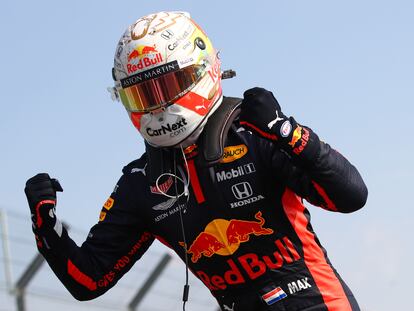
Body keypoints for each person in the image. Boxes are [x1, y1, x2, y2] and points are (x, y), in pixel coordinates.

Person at [24, 11, 368, 311]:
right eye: (144, 94)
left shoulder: (258, 132)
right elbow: (89, 279)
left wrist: (291, 133)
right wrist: (46, 228)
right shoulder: (140, 183)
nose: (157, 107)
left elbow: (351, 196)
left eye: (167, 86)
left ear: (201, 71)